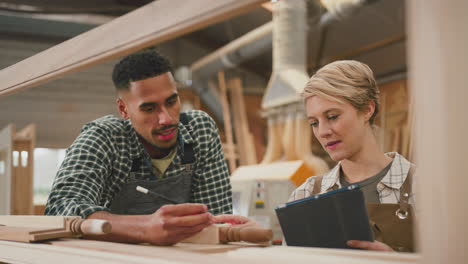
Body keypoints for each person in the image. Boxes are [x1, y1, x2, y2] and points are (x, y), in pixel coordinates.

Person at [45, 49, 250, 245]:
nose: (166, 119)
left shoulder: (198, 132)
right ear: (124, 109)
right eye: (149, 108)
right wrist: (144, 228)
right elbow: (60, 210)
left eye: (171, 102)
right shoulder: (103, 139)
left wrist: (233, 230)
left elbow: (214, 219)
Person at [289, 60, 415, 252]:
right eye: (314, 123)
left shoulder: (423, 189)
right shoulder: (305, 195)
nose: (322, 132)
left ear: (367, 109)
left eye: (332, 116)